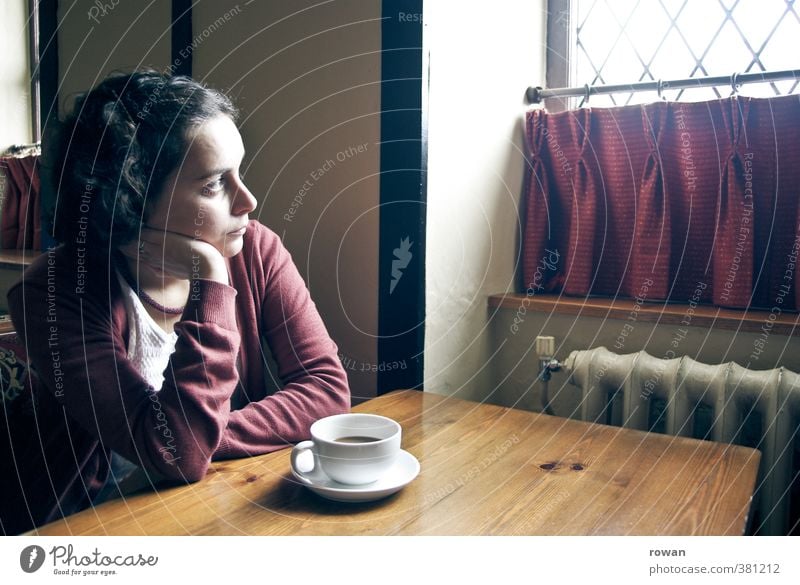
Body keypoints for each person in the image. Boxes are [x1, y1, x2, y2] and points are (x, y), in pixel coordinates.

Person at [0, 70, 350, 534]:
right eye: (213, 185)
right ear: (131, 200)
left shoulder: (256, 249)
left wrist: (196, 438)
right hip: (86, 526)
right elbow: (178, 455)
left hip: (216, 497)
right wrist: (210, 280)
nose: (247, 200)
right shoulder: (53, 293)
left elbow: (327, 389)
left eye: (239, 173)